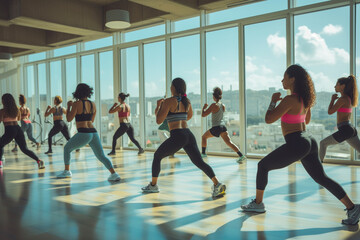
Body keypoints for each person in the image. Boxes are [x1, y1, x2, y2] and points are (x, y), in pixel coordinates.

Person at [240, 65, 360, 225]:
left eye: (284, 77)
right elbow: (307, 121)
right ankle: (352, 208)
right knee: (322, 178)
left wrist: (273, 101)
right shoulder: (303, 99)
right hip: (308, 141)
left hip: (297, 142)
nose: (282, 80)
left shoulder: (290, 99)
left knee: (262, 166)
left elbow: (268, 119)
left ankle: (258, 204)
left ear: (292, 79)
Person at [141, 78, 226, 198]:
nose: (170, 88)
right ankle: (217, 184)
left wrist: (159, 106)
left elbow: (158, 120)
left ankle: (153, 186)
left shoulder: (168, 101)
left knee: (157, 156)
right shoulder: (187, 101)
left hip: (177, 135)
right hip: (188, 134)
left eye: (171, 86)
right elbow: (189, 116)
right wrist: (178, 117)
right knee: (199, 162)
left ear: (174, 88)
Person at [56, 83, 120, 181]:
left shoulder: (76, 104)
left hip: (84, 132)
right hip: (93, 132)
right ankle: (114, 174)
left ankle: (67, 171)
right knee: (101, 156)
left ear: (77, 92)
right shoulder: (92, 104)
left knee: (67, 148)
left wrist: (69, 106)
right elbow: (92, 120)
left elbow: (69, 119)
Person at [319, 75, 360, 162]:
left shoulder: (342, 99)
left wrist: (332, 99)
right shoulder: (348, 98)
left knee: (322, 143)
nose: (334, 86)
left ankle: (317, 168)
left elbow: (330, 112)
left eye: (336, 84)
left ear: (342, 86)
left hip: (345, 129)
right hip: (350, 129)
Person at [201, 87, 246, 163]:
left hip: (216, 127)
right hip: (223, 127)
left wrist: (204, 108)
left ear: (214, 96)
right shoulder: (223, 105)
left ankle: (203, 154)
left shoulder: (213, 105)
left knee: (204, 137)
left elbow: (203, 115)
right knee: (229, 143)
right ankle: (241, 155)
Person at [0, 93, 45, 169]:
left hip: (10, 130)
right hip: (18, 129)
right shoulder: (17, 109)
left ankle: (0, 163)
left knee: (0, 144)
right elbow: (18, 119)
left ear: (4, 101)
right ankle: (38, 160)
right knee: (24, 149)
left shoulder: (2, 111)